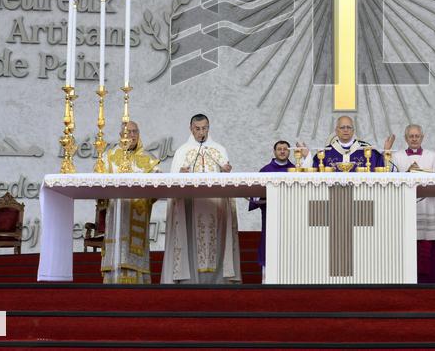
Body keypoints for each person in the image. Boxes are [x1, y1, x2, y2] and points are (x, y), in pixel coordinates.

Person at [161, 113, 241, 284]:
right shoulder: (183, 151)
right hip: (191, 204)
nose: (201, 132)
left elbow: (228, 176)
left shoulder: (219, 149)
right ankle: (189, 281)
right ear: (191, 129)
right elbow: (173, 179)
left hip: (216, 206)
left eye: (204, 128)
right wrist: (180, 174)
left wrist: (227, 171)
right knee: (191, 240)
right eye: (197, 129)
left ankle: (219, 280)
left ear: (208, 128)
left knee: (216, 240)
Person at [100, 120, 160, 284]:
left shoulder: (148, 159)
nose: (131, 135)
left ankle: (139, 282)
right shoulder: (109, 157)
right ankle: (112, 279)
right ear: (121, 136)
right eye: (128, 132)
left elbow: (158, 183)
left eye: (135, 132)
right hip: (115, 212)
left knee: (135, 248)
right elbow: (98, 180)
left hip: (137, 212)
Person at [390, 124, 435, 282]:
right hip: (405, 207)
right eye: (411, 136)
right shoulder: (397, 157)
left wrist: (422, 174)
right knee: (407, 240)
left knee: (428, 240)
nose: (414, 139)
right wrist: (407, 174)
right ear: (406, 138)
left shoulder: (433, 156)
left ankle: (431, 279)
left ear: (422, 137)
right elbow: (390, 180)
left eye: (417, 136)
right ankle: (405, 277)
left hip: (428, 205)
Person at [248, 141, 297, 275]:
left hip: (290, 214)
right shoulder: (265, 170)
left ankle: (291, 273)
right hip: (270, 213)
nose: (282, 151)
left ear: (289, 152)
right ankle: (267, 275)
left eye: (285, 149)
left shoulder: (296, 170)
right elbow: (256, 193)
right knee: (269, 242)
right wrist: (258, 197)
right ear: (274, 152)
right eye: (279, 149)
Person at [311, 115, 394, 170]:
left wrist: (386, 151)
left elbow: (381, 167)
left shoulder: (367, 150)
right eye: (342, 127)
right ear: (336, 131)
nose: (346, 130)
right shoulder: (325, 153)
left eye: (349, 127)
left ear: (353, 131)